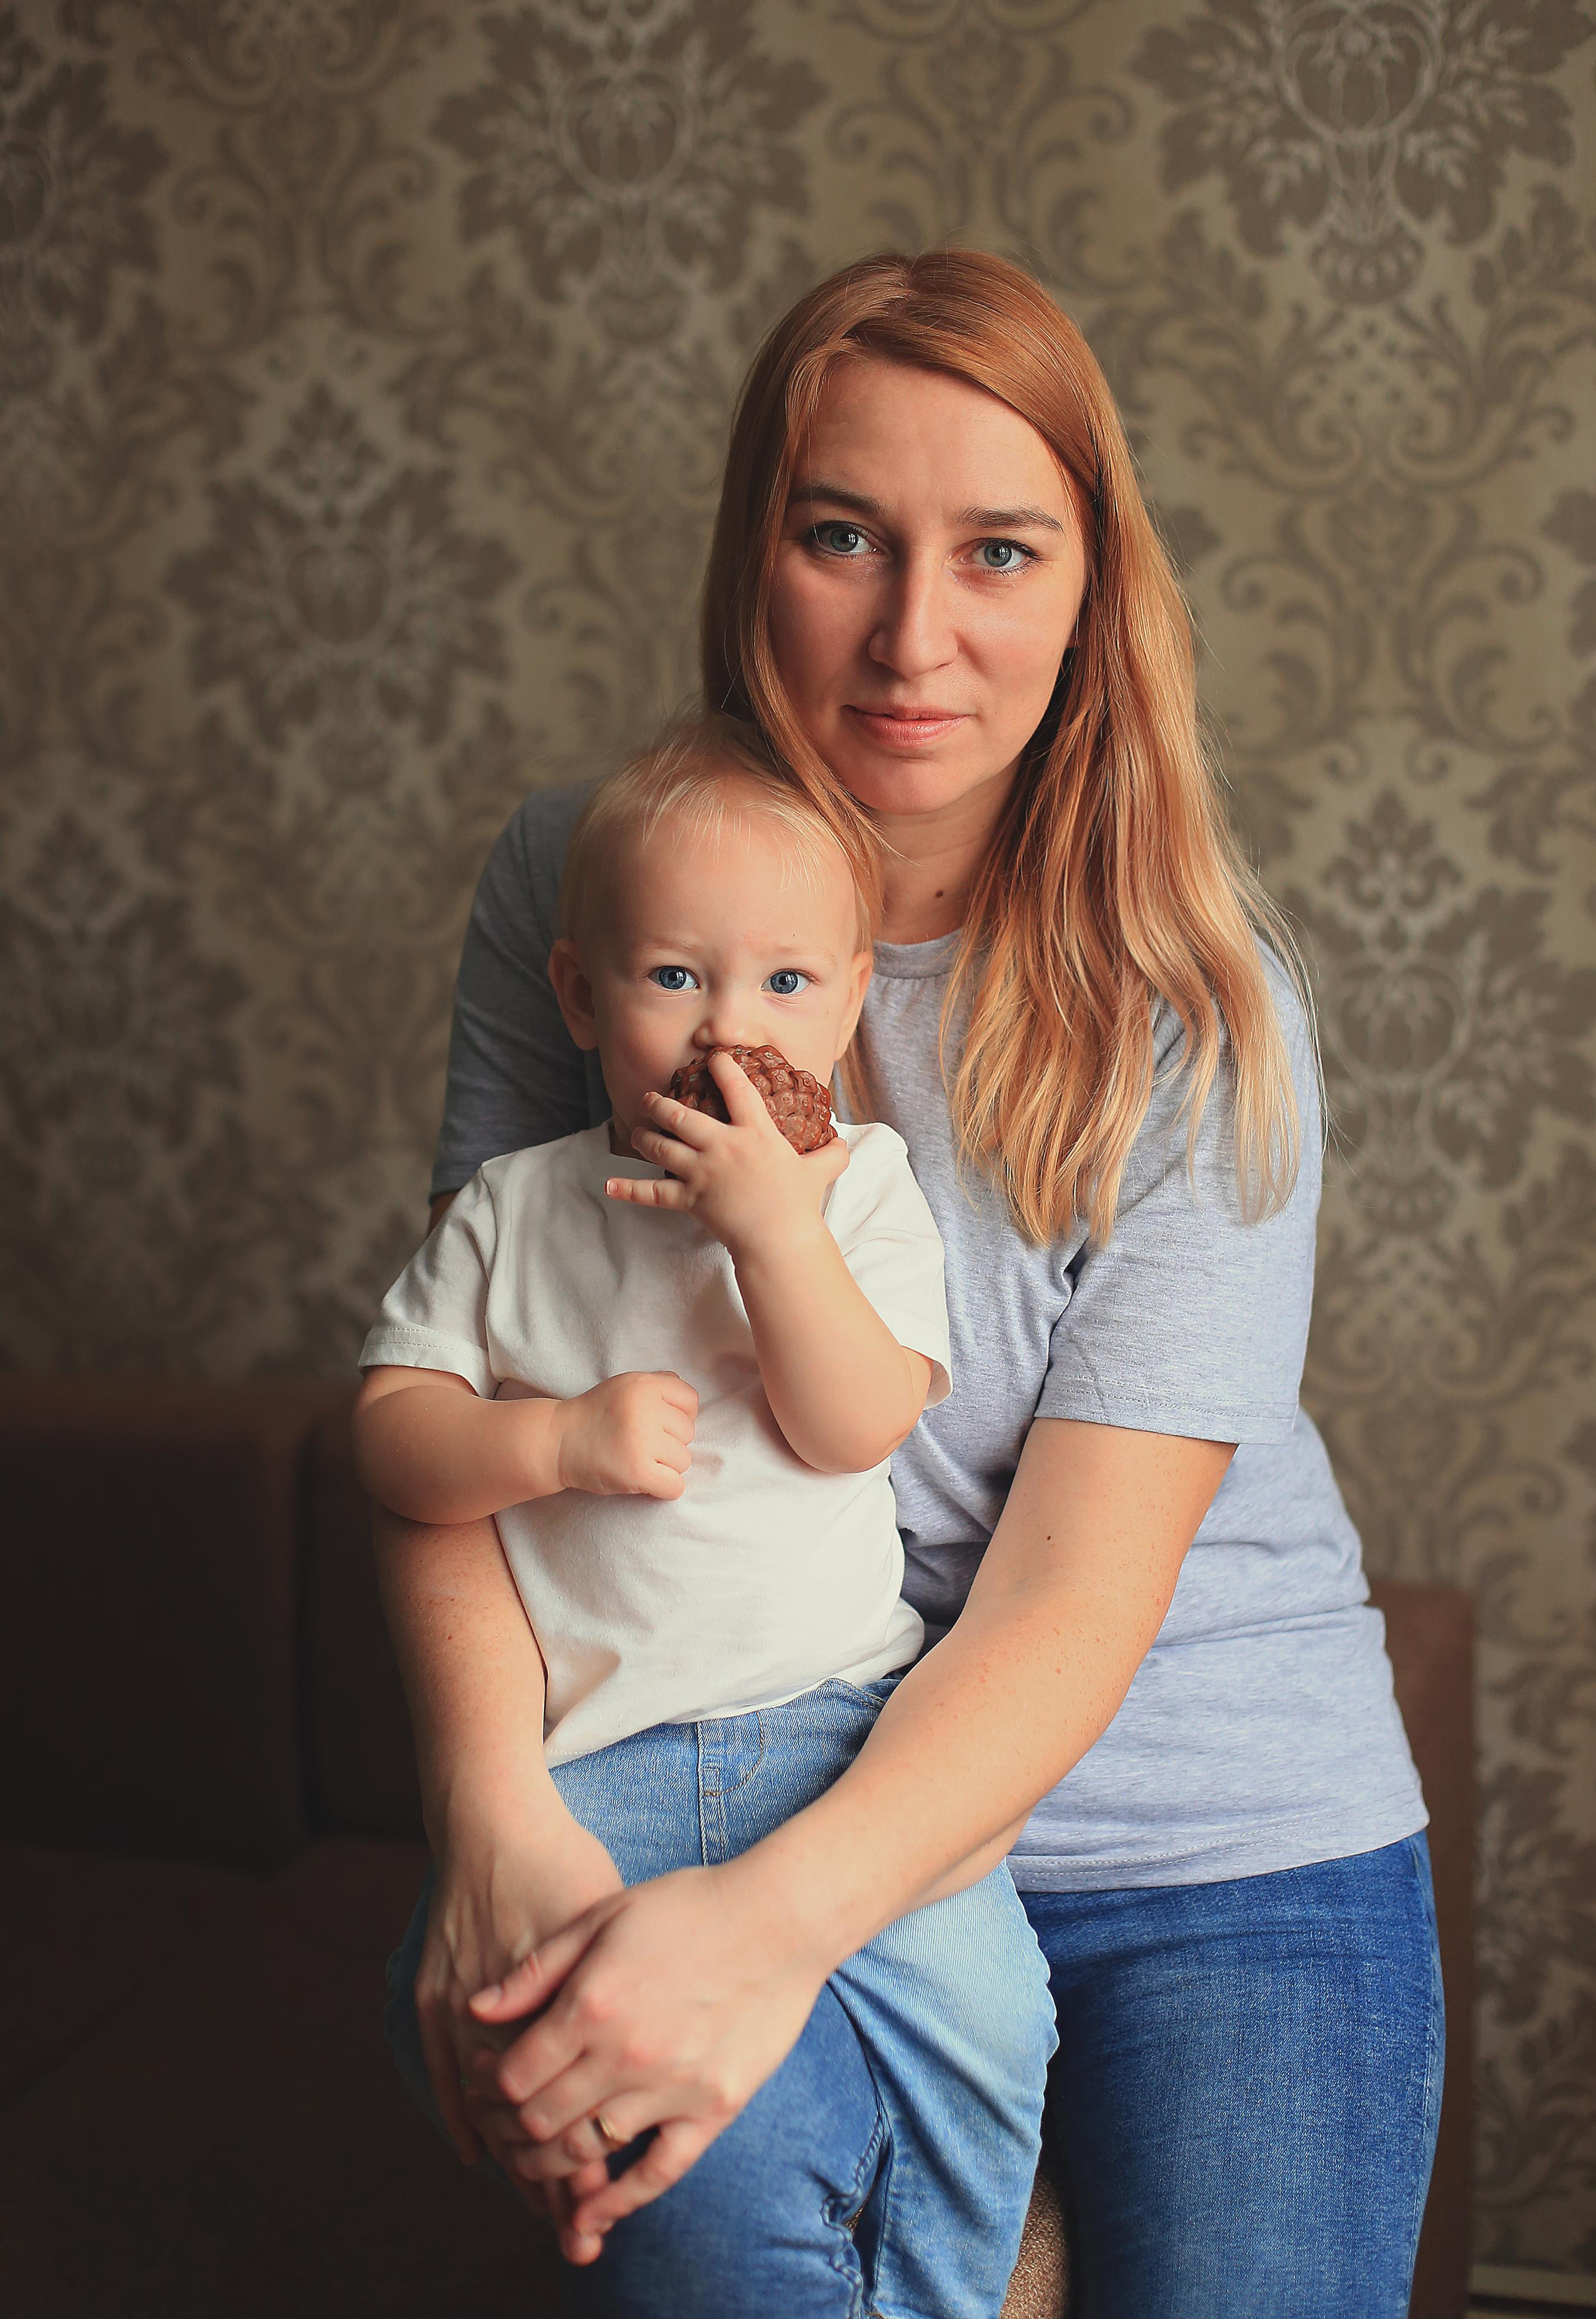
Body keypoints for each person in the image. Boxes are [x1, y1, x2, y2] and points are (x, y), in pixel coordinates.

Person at [375, 249, 1442, 2319]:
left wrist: (765, 1934)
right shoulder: (584, 887)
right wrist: (488, 1819)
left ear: (1090, 588)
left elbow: (1065, 1612)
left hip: (1202, 1830)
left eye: (1000, 552)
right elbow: (466, 1418)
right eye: (842, 532)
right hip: (724, 1747)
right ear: (751, 547)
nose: (913, 638)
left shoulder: (1197, 1011)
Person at [354, 719, 1056, 2319]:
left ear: (853, 998)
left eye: (785, 987)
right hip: (587, 1765)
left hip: (835, 1729)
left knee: (992, 2004)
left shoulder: (858, 1189)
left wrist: (772, 1237)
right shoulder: (509, 1212)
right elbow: (394, 1443)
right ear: (579, 995)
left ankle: (931, 2282)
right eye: (674, 979)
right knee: (461, 2004)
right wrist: (547, 1442)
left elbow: (857, 1418)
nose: (727, 1029)